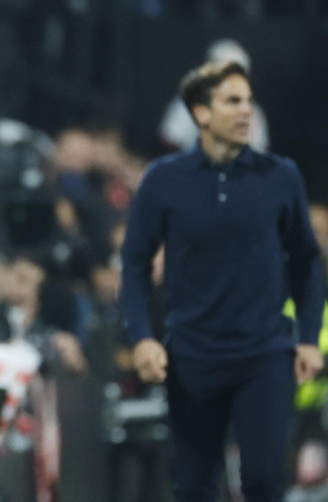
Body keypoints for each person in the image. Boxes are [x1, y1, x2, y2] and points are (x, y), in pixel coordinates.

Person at [120, 60, 325, 501]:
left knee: (265, 481)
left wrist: (308, 337)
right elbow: (134, 262)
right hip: (192, 356)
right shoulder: (163, 180)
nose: (247, 111)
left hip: (264, 354)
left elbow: (307, 261)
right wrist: (141, 337)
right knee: (194, 488)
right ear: (201, 113)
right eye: (233, 101)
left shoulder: (281, 176)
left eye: (249, 101)